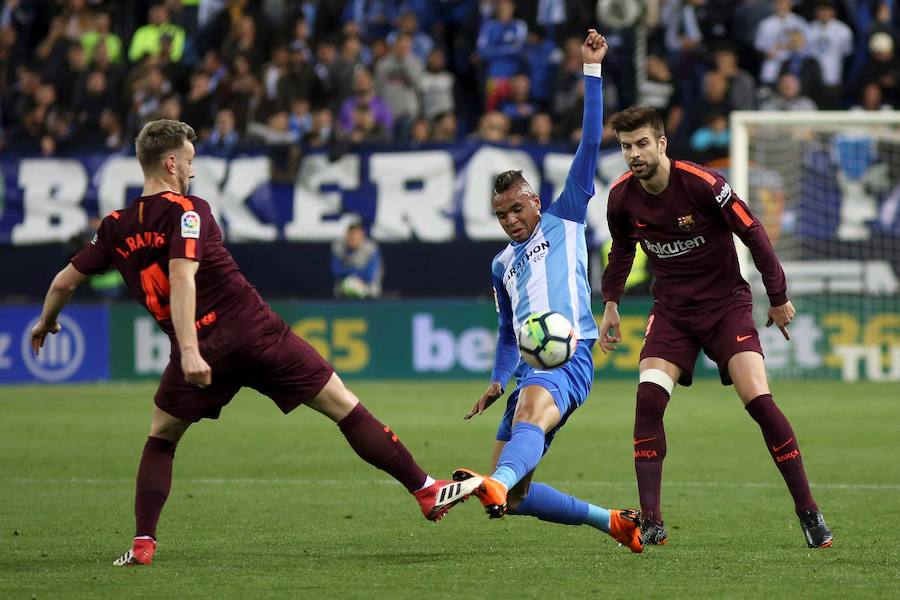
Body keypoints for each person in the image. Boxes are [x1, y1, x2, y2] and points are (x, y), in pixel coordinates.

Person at [29, 119, 481, 568]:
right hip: (252, 332)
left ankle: (144, 543)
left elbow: (63, 283)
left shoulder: (112, 227)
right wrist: (188, 350)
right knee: (343, 406)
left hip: (202, 351)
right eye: (188, 161)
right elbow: (182, 276)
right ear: (170, 163)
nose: (192, 170)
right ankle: (425, 490)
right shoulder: (189, 210)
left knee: (161, 439)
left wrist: (47, 322)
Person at [598, 106, 833, 549]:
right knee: (647, 400)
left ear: (662, 144)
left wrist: (778, 295)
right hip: (671, 311)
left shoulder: (705, 184)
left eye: (642, 143)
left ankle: (808, 511)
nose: (634, 153)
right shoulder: (622, 197)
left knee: (759, 401)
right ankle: (651, 520)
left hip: (726, 306)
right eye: (626, 146)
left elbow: (754, 233)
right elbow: (622, 252)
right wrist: (611, 302)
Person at [448, 30, 643, 554]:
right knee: (509, 496)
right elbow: (506, 331)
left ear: (535, 201)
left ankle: (502, 475)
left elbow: (589, 141)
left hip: (570, 354)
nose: (511, 221)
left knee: (523, 436)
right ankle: (613, 522)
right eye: (501, 215)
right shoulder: (500, 264)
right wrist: (496, 380)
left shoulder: (566, 215)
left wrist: (592, 71)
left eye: (517, 209)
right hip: (531, 367)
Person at [331, 219, 383, 298]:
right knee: (346, 285)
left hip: (367, 289)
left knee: (369, 288)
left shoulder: (371, 249)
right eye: (350, 234)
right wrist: (352, 277)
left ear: (361, 236)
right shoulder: (339, 248)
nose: (352, 237)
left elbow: (370, 275)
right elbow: (336, 271)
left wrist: (353, 276)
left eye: (355, 234)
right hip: (344, 289)